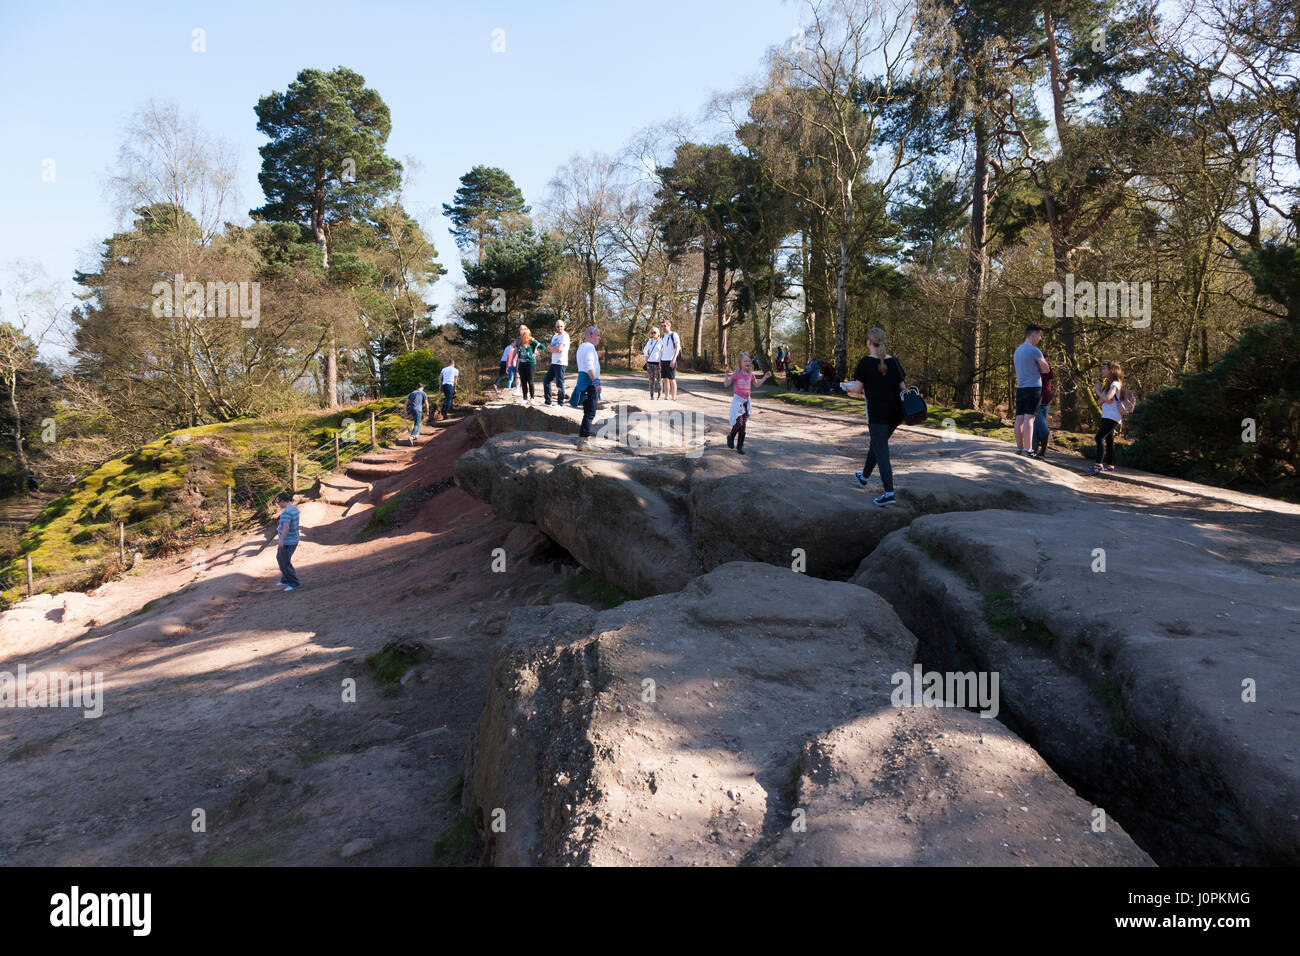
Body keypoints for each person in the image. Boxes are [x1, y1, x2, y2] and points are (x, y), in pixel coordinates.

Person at [847, 327, 907, 507]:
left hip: (878, 415)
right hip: (895, 415)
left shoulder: (865, 363)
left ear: (868, 343)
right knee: (876, 445)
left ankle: (889, 492)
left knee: (881, 451)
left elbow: (857, 389)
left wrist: (846, 387)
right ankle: (863, 477)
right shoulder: (894, 362)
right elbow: (904, 388)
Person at [1013, 324, 1051, 458]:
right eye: (1040, 335)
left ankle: (1019, 448)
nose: (1040, 338)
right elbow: (1046, 369)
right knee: (1030, 418)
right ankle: (1028, 449)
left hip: (1021, 387)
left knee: (1019, 419)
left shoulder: (1017, 350)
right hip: (1033, 387)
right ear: (1034, 334)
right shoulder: (1035, 351)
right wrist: (1039, 365)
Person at [725, 352, 771, 455]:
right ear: (740, 362)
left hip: (746, 402)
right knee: (739, 422)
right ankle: (731, 437)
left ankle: (740, 446)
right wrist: (726, 375)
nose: (748, 362)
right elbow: (726, 384)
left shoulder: (751, 375)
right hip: (738, 402)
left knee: (744, 424)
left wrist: (765, 377)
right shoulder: (736, 374)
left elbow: (757, 385)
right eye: (745, 361)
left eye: (749, 361)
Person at [571, 326, 602, 450]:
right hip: (589, 383)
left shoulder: (581, 347)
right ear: (590, 335)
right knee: (590, 413)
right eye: (597, 335)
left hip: (584, 382)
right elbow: (589, 367)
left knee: (587, 413)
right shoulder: (589, 347)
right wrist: (596, 382)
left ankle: (582, 440)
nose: (599, 338)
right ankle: (584, 442)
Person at [1093, 362, 1125, 474]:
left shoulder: (1115, 384)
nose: (1102, 371)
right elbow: (1100, 402)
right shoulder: (1108, 385)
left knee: (1099, 438)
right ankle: (1110, 465)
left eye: (1104, 368)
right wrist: (1102, 396)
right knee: (1109, 440)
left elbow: (1108, 398)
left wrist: (1097, 391)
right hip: (1106, 415)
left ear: (1111, 371)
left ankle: (1098, 464)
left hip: (1113, 416)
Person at [275, 492, 301, 591]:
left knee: (284, 562)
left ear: (282, 500)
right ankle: (285, 579)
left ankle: (294, 583)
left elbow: (286, 527)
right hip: (293, 539)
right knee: (280, 558)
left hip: (287, 541)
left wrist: (281, 541)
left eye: (278, 502)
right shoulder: (294, 508)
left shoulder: (286, 512)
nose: (278, 504)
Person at [542, 319, 570, 406]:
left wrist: (552, 349)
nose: (559, 328)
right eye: (558, 326)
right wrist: (553, 349)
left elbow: (559, 349)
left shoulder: (565, 336)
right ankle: (548, 401)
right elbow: (549, 347)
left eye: (561, 326)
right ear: (555, 327)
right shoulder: (555, 336)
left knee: (559, 383)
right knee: (546, 380)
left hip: (561, 362)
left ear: (564, 326)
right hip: (554, 362)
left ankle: (560, 403)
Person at [1033, 363, 1054, 459]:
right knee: (1044, 429)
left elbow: (1051, 376)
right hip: (1035, 403)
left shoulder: (1047, 369)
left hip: (1046, 402)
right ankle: (1040, 449)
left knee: (1037, 427)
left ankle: (1036, 451)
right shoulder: (1034, 370)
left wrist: (1046, 365)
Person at [516, 325, 540, 404]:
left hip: (530, 364)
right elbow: (516, 350)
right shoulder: (519, 340)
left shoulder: (531, 340)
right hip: (522, 364)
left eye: (523, 330)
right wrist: (512, 361)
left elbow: (542, 347)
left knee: (530, 381)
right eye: (520, 330)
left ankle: (532, 398)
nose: (521, 331)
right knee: (523, 382)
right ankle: (525, 398)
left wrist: (536, 353)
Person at [659, 319, 681, 400]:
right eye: (662, 326)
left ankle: (673, 398)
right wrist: (660, 360)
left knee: (672, 379)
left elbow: (677, 347)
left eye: (665, 325)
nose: (663, 327)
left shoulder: (674, 334)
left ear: (669, 325)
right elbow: (662, 349)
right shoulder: (663, 336)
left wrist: (674, 359)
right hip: (664, 360)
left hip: (671, 360)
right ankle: (666, 397)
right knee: (665, 379)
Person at [643, 326, 663, 399]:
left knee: (659, 380)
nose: (653, 334)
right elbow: (645, 349)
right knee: (651, 381)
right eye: (652, 332)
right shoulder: (650, 341)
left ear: (658, 333)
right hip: (650, 363)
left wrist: (661, 360)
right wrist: (646, 355)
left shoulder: (661, 341)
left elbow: (662, 352)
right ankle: (651, 396)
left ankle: (659, 395)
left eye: (654, 332)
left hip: (658, 363)